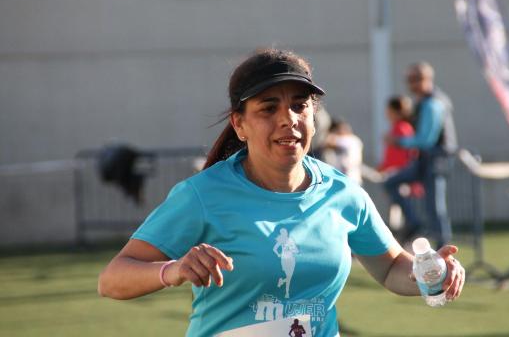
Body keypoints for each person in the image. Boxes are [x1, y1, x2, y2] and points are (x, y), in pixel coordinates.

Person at [97, 49, 464, 336]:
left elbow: (390, 269)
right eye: (268, 108)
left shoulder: (341, 193)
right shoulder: (202, 195)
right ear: (239, 124)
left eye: (299, 106)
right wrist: (174, 270)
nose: (288, 118)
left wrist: (430, 274)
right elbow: (113, 279)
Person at [383, 62, 458, 249]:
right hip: (425, 160)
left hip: (437, 160)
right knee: (391, 182)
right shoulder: (424, 102)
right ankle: (414, 222)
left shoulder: (433, 103)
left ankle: (444, 247)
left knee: (435, 207)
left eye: (413, 80)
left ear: (425, 79)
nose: (410, 85)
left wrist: (398, 141)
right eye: (408, 80)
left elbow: (426, 140)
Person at [378, 96, 424, 232]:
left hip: (400, 174)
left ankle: (412, 224)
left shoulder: (403, 128)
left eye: (388, 110)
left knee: (400, 206)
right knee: (395, 208)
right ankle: (404, 230)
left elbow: (408, 153)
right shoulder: (397, 127)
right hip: (394, 172)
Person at [322, 118, 364, 185]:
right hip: (349, 178)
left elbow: (329, 141)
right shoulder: (354, 139)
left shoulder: (350, 140)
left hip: (349, 178)